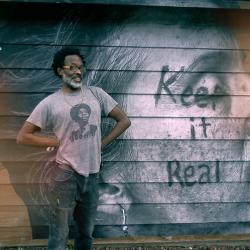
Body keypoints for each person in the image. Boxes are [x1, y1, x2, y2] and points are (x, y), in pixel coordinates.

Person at [16, 47, 131, 249]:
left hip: (93, 176)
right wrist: (54, 142)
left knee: (86, 234)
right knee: (59, 235)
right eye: (72, 67)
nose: (78, 71)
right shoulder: (50, 103)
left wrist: (101, 143)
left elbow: (124, 121)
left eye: (81, 67)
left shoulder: (97, 95)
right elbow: (23, 136)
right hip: (64, 176)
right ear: (61, 71)